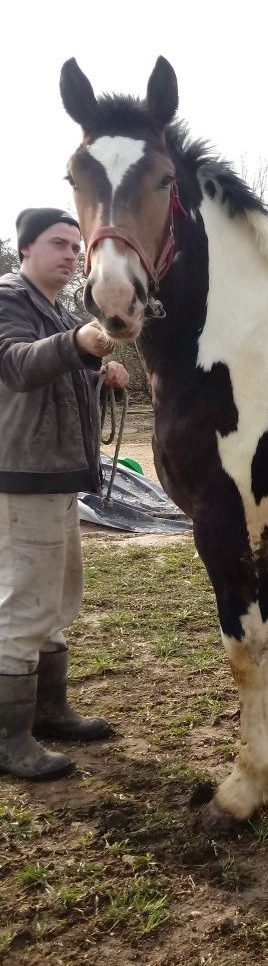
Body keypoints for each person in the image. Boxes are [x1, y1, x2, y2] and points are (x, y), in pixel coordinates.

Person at [0, 207, 129, 779]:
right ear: (24, 248)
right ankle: (8, 739)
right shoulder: (8, 298)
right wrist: (75, 343)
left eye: (76, 247)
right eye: (58, 244)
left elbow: (55, 380)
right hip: (22, 477)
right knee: (25, 605)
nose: (72, 255)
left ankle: (48, 711)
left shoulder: (50, 307)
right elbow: (16, 366)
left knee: (55, 601)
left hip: (53, 476)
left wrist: (97, 375)